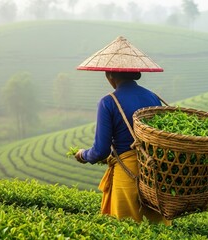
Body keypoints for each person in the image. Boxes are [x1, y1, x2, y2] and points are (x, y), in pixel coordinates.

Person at [73, 36, 170, 225]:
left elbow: (101, 151)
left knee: (126, 228)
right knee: (157, 230)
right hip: (154, 173)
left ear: (110, 75)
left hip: (128, 174)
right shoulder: (153, 98)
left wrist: (83, 155)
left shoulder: (108, 102)